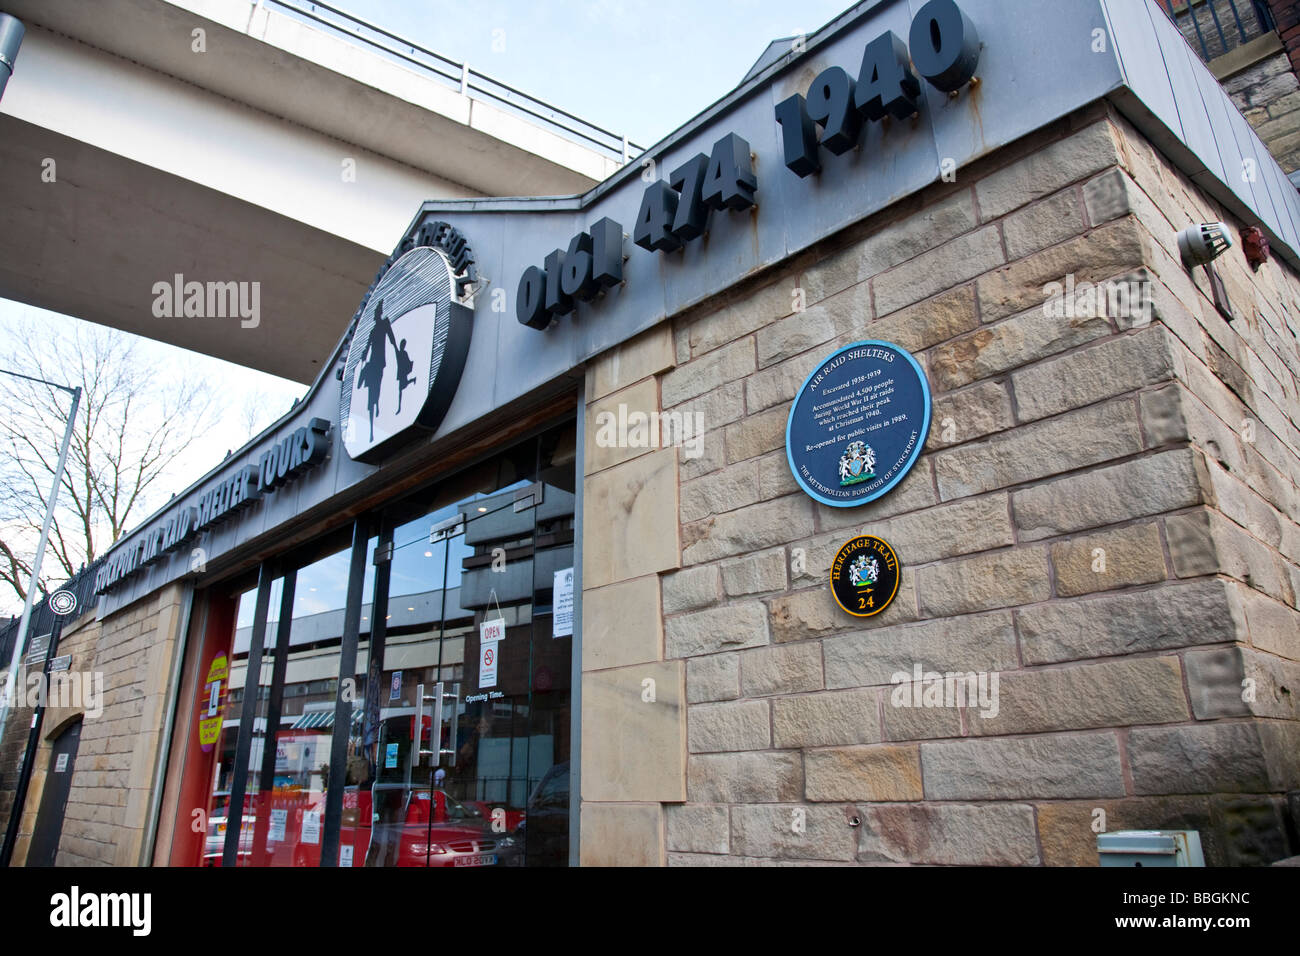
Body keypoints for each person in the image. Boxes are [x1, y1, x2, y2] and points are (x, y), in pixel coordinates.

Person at [356, 299, 397, 442]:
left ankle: (376, 409)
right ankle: (373, 416)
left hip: (379, 363)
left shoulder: (384, 323)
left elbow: (391, 338)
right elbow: (367, 347)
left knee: (375, 390)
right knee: (372, 393)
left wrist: (397, 351)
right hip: (374, 363)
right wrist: (363, 357)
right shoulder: (373, 330)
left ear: (379, 313)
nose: (374, 314)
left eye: (375, 312)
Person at [394, 338, 416, 414]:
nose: (401, 346)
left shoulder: (404, 353)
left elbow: (407, 361)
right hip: (401, 373)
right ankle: (413, 380)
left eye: (402, 345)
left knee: (401, 389)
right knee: (402, 387)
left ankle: (399, 408)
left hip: (403, 373)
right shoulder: (400, 352)